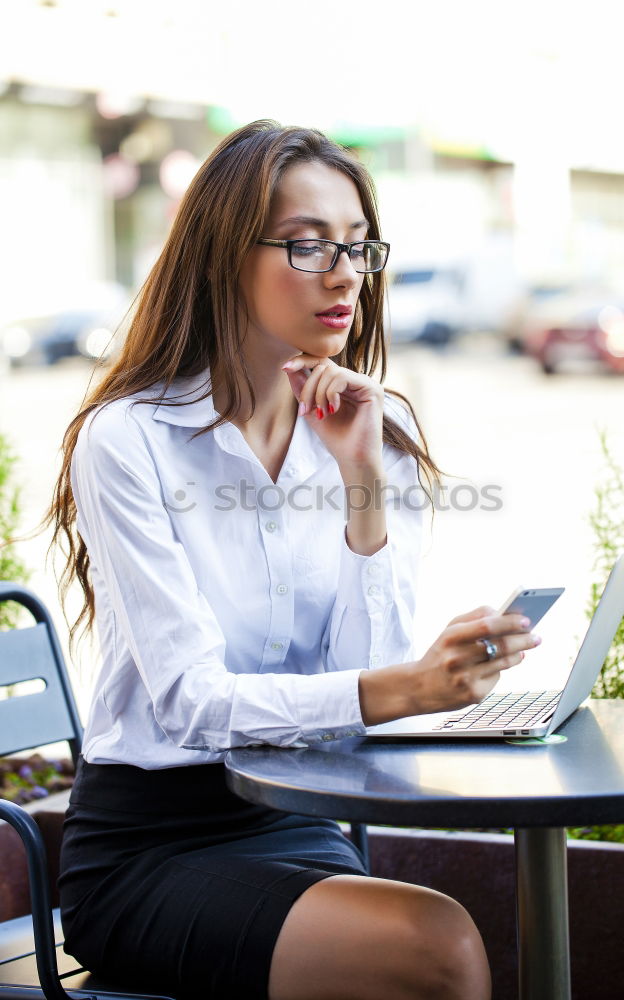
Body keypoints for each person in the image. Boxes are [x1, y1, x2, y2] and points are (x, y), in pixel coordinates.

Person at [45, 120, 540, 1000]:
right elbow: (192, 700)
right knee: (437, 947)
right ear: (221, 256)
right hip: (150, 849)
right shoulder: (128, 441)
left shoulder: (377, 430)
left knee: (435, 937)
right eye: (308, 246)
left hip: (301, 816)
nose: (346, 273)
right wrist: (407, 687)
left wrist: (360, 479)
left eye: (357, 248)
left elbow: (361, 682)